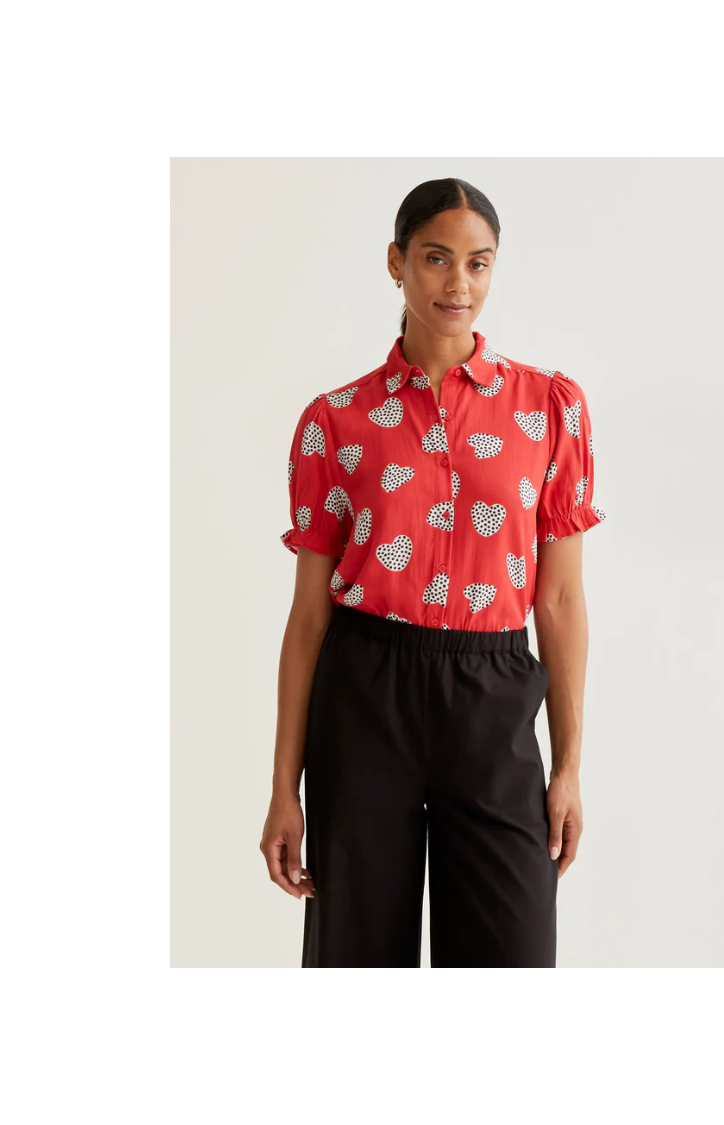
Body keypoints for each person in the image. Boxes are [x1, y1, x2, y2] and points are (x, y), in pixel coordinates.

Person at [260, 177, 606, 967]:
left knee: (510, 956)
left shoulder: (548, 409)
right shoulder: (335, 421)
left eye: (478, 263)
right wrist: (284, 785)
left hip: (493, 695)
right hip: (366, 694)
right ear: (397, 262)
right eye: (436, 258)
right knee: (355, 955)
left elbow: (558, 598)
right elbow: (308, 616)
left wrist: (568, 766)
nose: (458, 284)